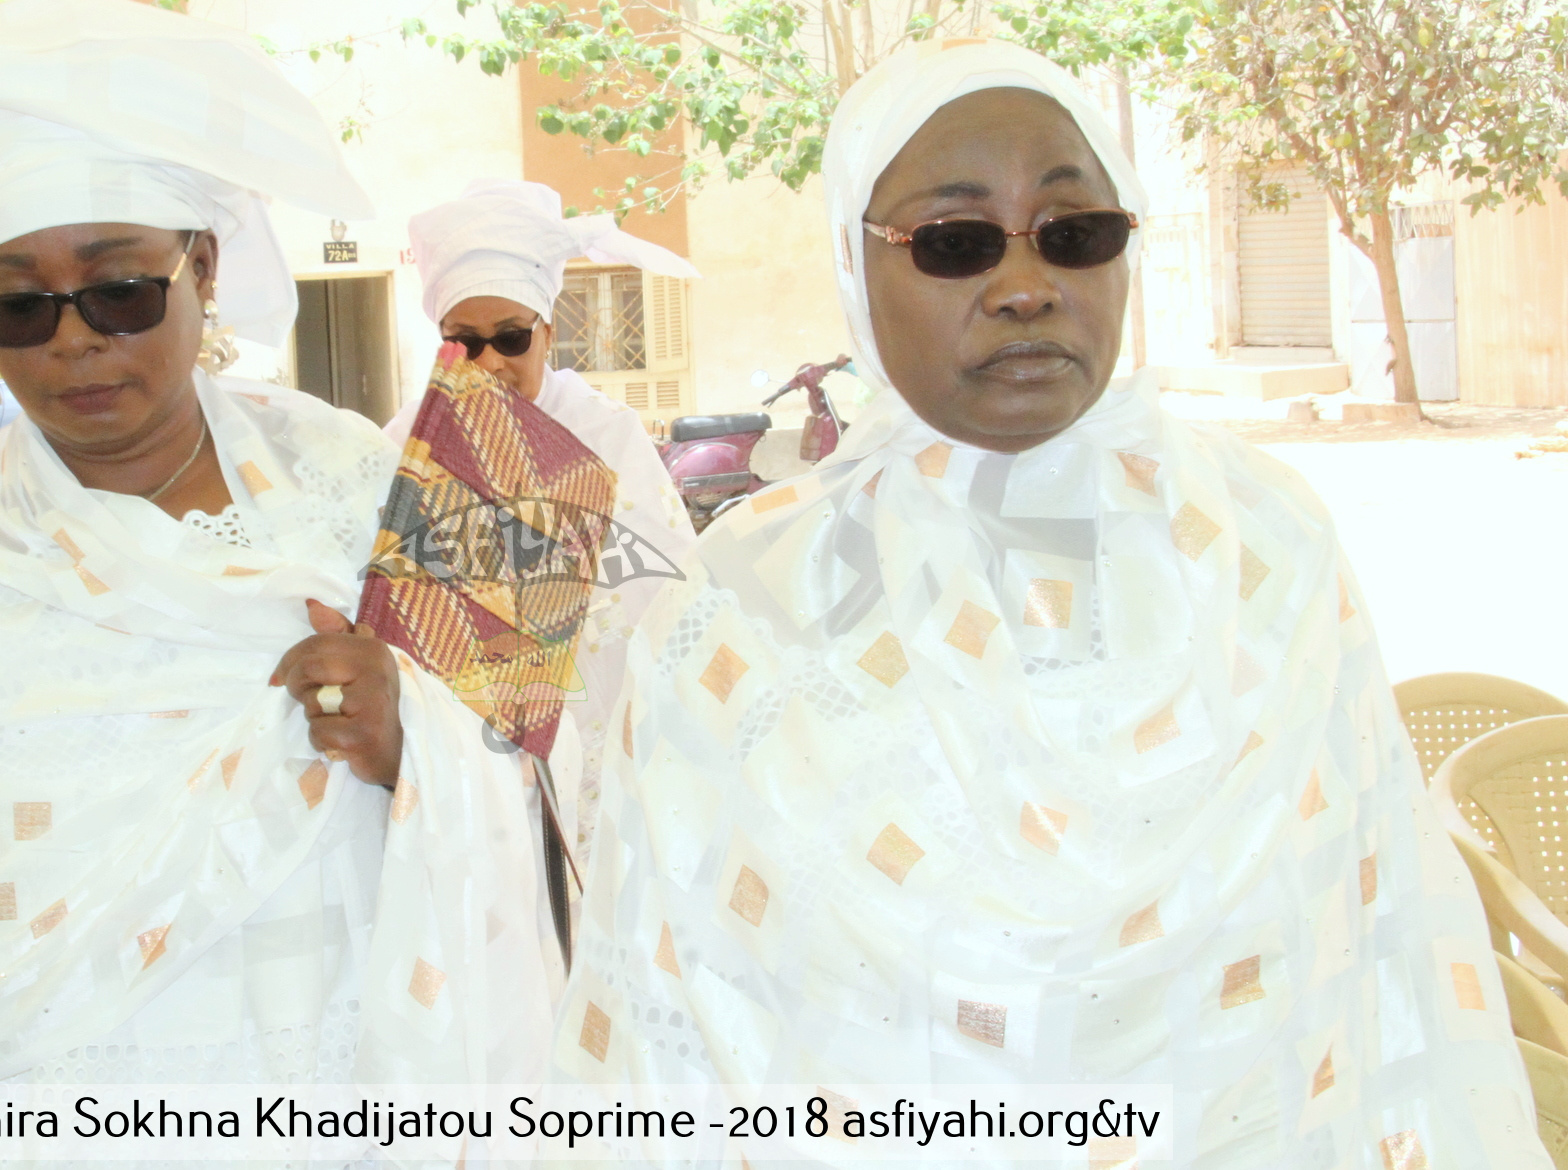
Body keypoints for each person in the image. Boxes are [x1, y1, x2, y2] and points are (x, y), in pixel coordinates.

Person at [550, 39, 1549, 1168]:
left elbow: (1374, 959)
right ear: (855, 268)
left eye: (1075, 233)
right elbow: (676, 1025)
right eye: (955, 241)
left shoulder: (1263, 548)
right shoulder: (748, 605)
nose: (1026, 286)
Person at [0, 0, 550, 1162]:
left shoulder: (375, 481)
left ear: (200, 267)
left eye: (118, 290)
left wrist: (411, 739)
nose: (73, 341)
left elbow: (558, 787)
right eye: (19, 305)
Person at [391, 179, 700, 883]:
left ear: (548, 333)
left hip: (589, 739)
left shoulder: (605, 438)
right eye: (464, 343)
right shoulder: (404, 445)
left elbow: (664, 600)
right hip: (460, 752)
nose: (490, 363)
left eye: (511, 338)